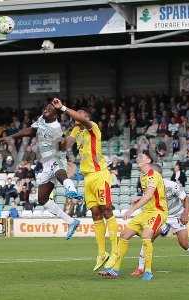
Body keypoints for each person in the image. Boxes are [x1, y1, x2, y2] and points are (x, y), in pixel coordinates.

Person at [52, 98, 119, 271]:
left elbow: (80, 119)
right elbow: (66, 145)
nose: (78, 116)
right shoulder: (76, 129)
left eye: (81, 114)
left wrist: (63, 108)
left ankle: (116, 251)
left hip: (100, 175)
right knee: (96, 214)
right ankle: (102, 253)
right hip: (87, 177)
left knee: (107, 210)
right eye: (77, 115)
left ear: (86, 117)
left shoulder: (92, 127)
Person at [1, 102, 82, 240]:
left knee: (58, 169)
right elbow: (30, 131)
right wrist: (12, 137)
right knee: (42, 199)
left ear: (55, 114)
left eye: (49, 109)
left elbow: (60, 147)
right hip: (45, 163)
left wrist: (62, 143)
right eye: (45, 108)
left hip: (56, 157)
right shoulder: (42, 119)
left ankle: (71, 188)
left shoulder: (55, 127)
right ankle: (71, 221)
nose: (46, 110)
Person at [99, 153, 167, 281]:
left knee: (147, 236)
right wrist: (139, 198)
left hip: (157, 211)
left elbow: (148, 196)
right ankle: (115, 270)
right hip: (146, 212)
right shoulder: (142, 176)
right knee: (124, 235)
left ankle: (148, 271)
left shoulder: (153, 175)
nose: (138, 158)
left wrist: (132, 209)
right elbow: (148, 195)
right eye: (138, 157)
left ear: (148, 160)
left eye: (142, 156)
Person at [131, 176, 189, 277]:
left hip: (177, 215)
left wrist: (186, 213)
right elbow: (147, 200)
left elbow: (186, 198)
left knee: (184, 243)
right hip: (160, 214)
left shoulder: (171, 185)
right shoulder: (149, 187)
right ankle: (140, 267)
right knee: (149, 237)